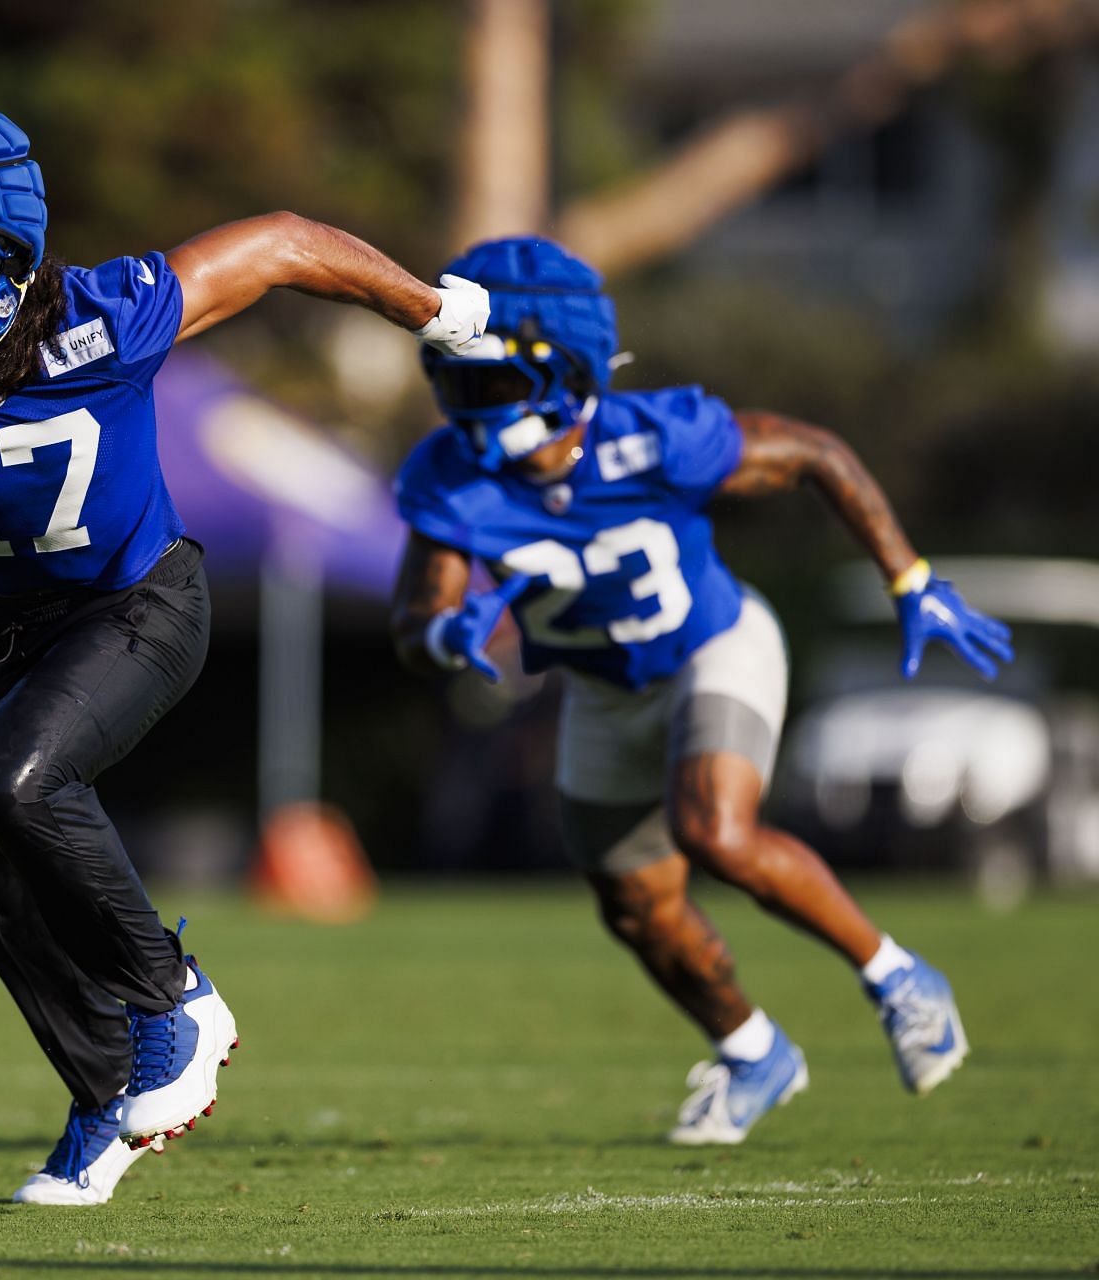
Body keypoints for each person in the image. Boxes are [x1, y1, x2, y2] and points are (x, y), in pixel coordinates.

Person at [0, 93, 491, 1202]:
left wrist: (429, 307)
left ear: (5, 257)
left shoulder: (106, 315)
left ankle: (177, 1000)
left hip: (135, 600)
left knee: (11, 778)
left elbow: (287, 243)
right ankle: (107, 1098)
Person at [389, 236, 1011, 1146]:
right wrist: (444, 636)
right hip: (603, 690)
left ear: (563, 374)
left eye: (488, 384)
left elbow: (817, 455)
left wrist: (908, 577)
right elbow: (421, 615)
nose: (464, 404)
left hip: (713, 648)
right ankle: (755, 1052)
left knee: (713, 830)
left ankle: (898, 977)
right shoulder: (450, 475)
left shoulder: (654, 437)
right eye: (454, 380)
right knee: (635, 907)